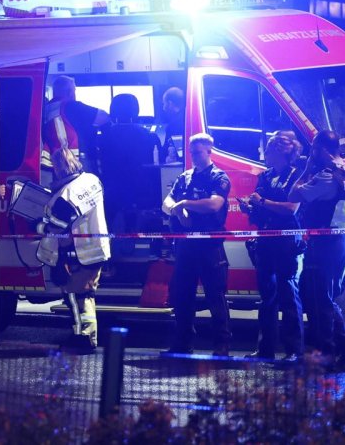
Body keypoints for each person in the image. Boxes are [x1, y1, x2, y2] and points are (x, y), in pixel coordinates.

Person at [289, 130, 345, 368]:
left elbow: (293, 194)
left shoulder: (326, 176)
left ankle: (328, 354)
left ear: (322, 150)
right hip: (343, 242)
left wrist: (306, 170)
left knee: (319, 301)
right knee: (329, 298)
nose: (311, 153)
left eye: (313, 149)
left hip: (323, 245)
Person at [162, 133, 232, 356]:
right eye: (191, 152)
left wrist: (185, 204)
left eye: (198, 152)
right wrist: (177, 209)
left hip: (210, 245)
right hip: (185, 245)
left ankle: (221, 345)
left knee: (216, 295)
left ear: (210, 151)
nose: (193, 156)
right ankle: (182, 343)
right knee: (182, 294)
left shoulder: (219, 177)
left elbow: (214, 205)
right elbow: (166, 202)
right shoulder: (185, 177)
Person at [37, 149, 110, 351]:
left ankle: (85, 339)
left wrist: (39, 225)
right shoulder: (91, 180)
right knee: (81, 295)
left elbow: (58, 221)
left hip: (79, 252)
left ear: (59, 167)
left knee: (79, 296)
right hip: (93, 249)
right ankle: (82, 334)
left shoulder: (70, 192)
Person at [239, 134, 305, 361]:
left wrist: (262, 202)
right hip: (265, 238)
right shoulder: (266, 176)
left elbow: (292, 209)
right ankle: (265, 349)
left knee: (288, 292)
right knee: (267, 295)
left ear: (281, 152)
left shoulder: (297, 175)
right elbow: (257, 205)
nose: (265, 154)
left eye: (268, 150)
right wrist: (249, 208)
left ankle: (294, 350)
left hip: (287, 239)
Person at [98, 93, 161, 229]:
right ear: (136, 110)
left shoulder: (103, 137)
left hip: (111, 192)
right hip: (142, 193)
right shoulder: (150, 136)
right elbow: (157, 166)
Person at [42, 76, 108, 174]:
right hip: (76, 161)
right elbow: (104, 117)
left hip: (55, 162)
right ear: (70, 91)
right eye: (74, 90)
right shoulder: (72, 106)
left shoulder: (46, 109)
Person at [157, 87, 186, 163]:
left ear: (170, 103)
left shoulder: (174, 126)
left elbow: (165, 153)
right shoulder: (189, 118)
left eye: (164, 104)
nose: (163, 108)